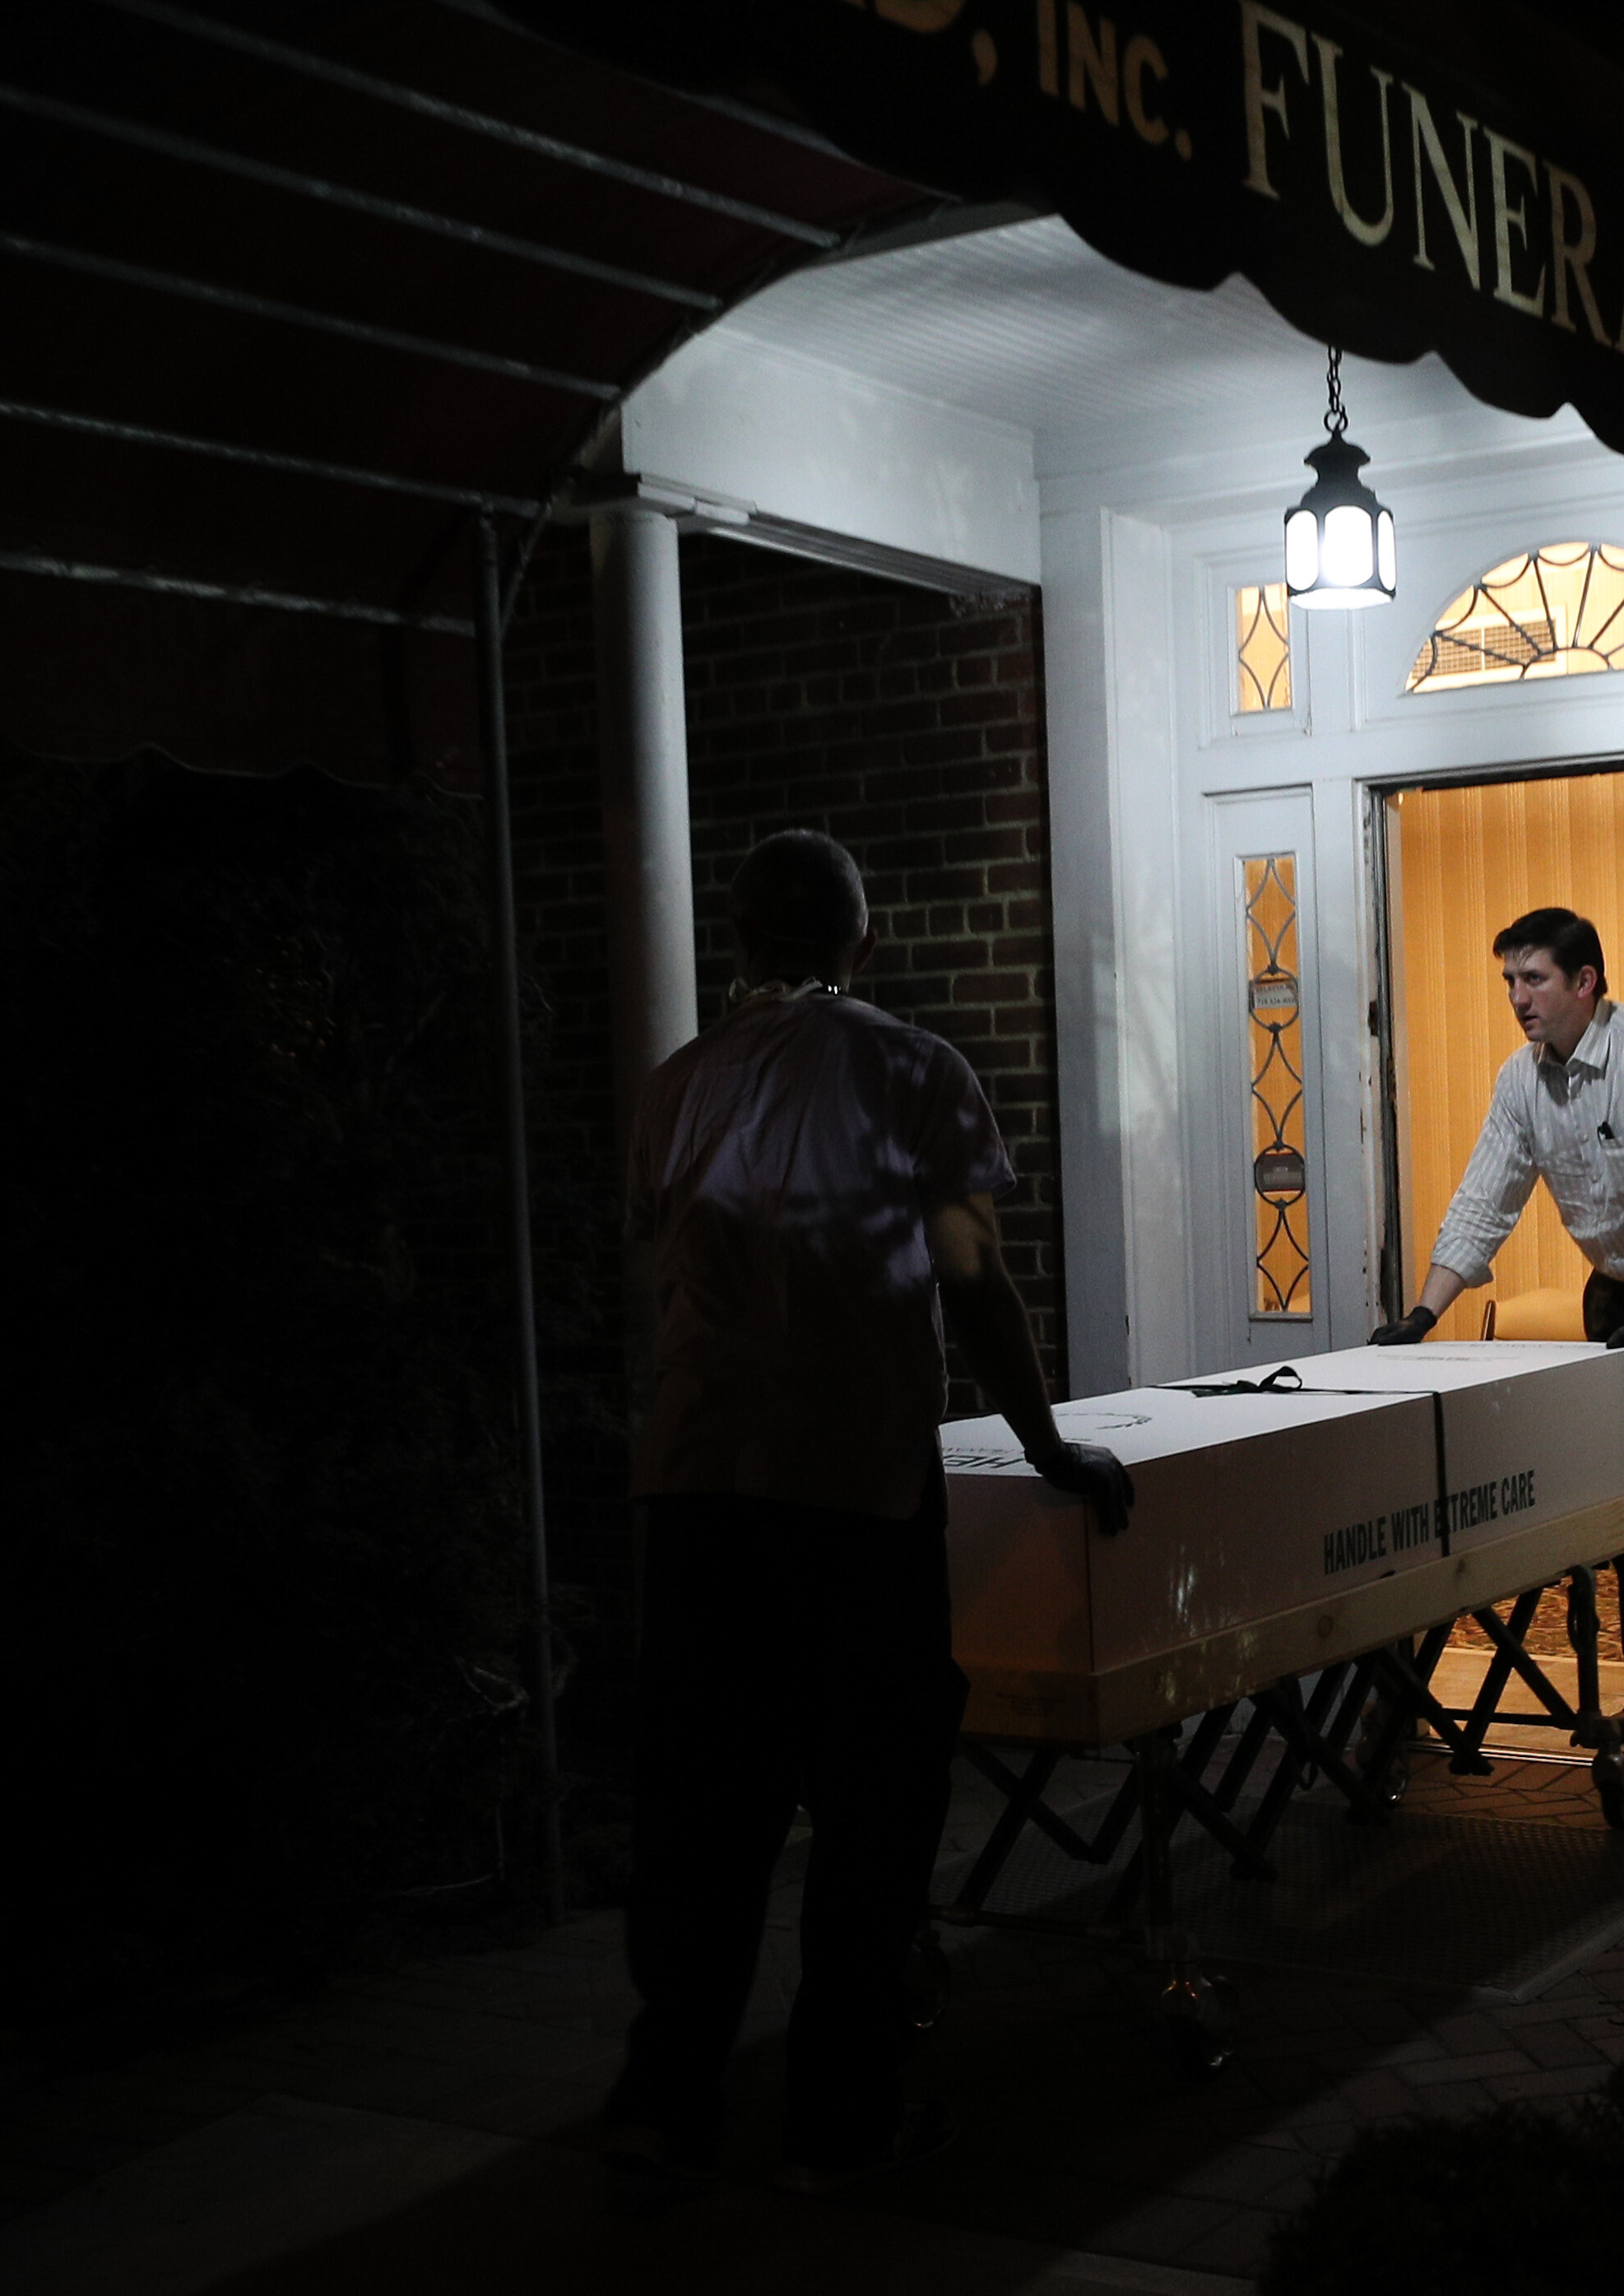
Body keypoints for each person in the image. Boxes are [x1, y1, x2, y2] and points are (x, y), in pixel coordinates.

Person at [602, 829, 1131, 2200]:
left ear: (736, 946)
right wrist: (1048, 1445)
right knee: (873, 1806)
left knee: (703, 1809)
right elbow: (975, 1281)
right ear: (865, 941)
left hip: (695, 1488)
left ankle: (667, 2097)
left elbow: (659, 1268)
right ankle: (841, 2113)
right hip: (854, 1490)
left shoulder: (673, 1086)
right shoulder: (913, 1070)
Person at [1371, 907, 1624, 1780]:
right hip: (1620, 1293)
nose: (1518, 998)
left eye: (1534, 979)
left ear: (1586, 982)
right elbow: (1486, 1198)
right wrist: (1423, 1314)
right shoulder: (1523, 1079)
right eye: (1509, 980)